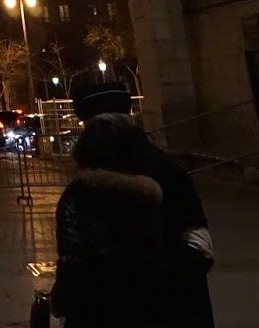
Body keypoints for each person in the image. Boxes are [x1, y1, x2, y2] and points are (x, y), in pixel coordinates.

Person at [72, 80, 215, 328]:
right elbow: (200, 244)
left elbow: (79, 259)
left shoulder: (88, 187)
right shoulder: (168, 169)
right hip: (175, 305)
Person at [52, 112, 168, 328]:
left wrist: (62, 299)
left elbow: (74, 258)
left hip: (94, 308)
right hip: (144, 306)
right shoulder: (146, 195)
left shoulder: (80, 195)